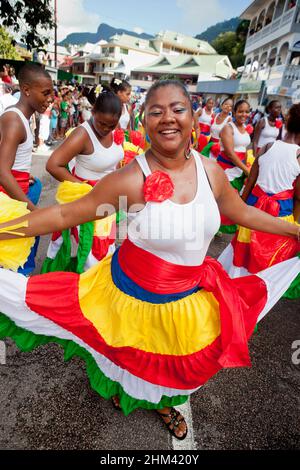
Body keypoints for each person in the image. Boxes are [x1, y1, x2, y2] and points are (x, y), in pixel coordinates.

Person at [0, 80, 299, 441]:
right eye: (156, 111)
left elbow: (244, 213)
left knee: (175, 363)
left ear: (193, 116)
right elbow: (64, 217)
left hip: (186, 297)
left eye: (177, 109)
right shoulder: (129, 178)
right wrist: (5, 230)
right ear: (144, 121)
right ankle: (124, 385)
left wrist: (294, 232)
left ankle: (161, 401)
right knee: (119, 349)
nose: (167, 118)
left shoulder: (211, 172)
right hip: (127, 292)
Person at [219, 103, 300, 298]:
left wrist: (239, 213)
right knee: (266, 264)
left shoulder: (266, 147)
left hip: (252, 213)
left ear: (286, 121)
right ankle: (251, 303)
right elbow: (298, 197)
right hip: (281, 219)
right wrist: (296, 226)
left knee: (241, 258)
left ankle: (231, 298)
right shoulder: (298, 155)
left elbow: (249, 185)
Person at [42, 87, 124, 273]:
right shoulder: (82, 134)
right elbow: (53, 165)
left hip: (108, 199)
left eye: (111, 125)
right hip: (86, 198)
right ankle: (85, 289)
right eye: (101, 123)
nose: (106, 129)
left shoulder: (112, 128)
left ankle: (99, 283)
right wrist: (85, 189)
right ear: (93, 111)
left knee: (106, 243)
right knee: (90, 249)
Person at [0, 62, 53, 274]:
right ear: (27, 90)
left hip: (17, 192)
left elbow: (10, 164)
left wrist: (22, 175)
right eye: (45, 93)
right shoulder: (14, 120)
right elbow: (2, 171)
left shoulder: (22, 118)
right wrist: (32, 210)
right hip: (9, 202)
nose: (50, 99)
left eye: (52, 93)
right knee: (12, 266)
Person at [217, 99, 251, 233]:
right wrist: (246, 170)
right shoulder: (228, 128)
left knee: (231, 200)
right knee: (221, 199)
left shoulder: (245, 129)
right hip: (227, 170)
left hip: (239, 169)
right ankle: (212, 227)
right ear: (234, 112)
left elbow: (244, 149)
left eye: (247, 111)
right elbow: (230, 154)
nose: (244, 114)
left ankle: (220, 226)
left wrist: (247, 167)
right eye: (240, 111)